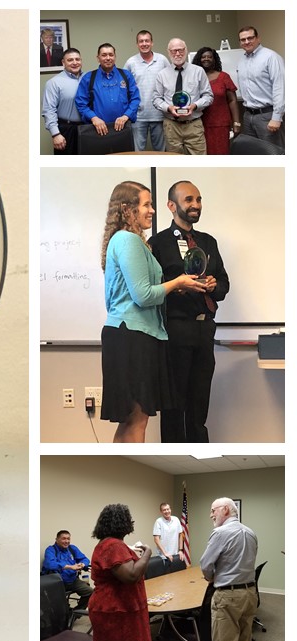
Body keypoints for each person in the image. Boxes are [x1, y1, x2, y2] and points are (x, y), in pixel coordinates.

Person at [99, 181, 206, 442]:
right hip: (132, 337)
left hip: (134, 334)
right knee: (137, 420)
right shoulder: (128, 241)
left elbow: (142, 291)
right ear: (128, 209)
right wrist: (178, 282)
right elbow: (144, 295)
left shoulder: (129, 240)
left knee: (132, 421)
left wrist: (173, 288)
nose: (152, 211)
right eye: (146, 204)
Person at [148, 181, 229, 443]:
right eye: (189, 200)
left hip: (204, 330)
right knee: (174, 404)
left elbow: (224, 285)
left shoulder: (208, 241)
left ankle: (200, 446)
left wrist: (215, 286)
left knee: (199, 402)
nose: (196, 205)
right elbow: (149, 290)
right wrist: (177, 288)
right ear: (172, 206)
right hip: (175, 330)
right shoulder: (157, 243)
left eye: (199, 199)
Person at [89, 503, 153, 641]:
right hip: (116, 610)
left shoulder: (109, 543)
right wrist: (148, 553)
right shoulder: (113, 545)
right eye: (129, 519)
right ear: (121, 522)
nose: (131, 522)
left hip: (117, 607)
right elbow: (131, 575)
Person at [200, 497, 258, 641]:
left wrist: (211, 578)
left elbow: (205, 565)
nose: (211, 515)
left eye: (213, 510)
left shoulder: (220, 533)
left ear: (225, 509)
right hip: (250, 594)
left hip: (228, 597)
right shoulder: (251, 532)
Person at [152, 38, 213, 154]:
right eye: (174, 51)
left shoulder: (198, 71)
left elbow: (208, 96)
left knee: (199, 164)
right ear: (168, 52)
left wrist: (194, 106)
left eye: (180, 50)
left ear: (186, 50)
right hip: (171, 126)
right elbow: (156, 99)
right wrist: (169, 108)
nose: (178, 54)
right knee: (174, 164)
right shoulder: (162, 75)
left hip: (193, 125)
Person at [75, 44, 140, 139]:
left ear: (115, 56)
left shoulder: (126, 75)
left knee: (123, 154)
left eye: (111, 54)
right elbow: (81, 103)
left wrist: (126, 116)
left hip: (123, 128)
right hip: (98, 129)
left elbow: (135, 99)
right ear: (98, 58)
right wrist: (94, 118)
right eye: (104, 55)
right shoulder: (89, 78)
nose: (108, 58)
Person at [236, 26, 284, 152]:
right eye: (243, 39)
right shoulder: (241, 61)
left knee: (272, 152)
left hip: (267, 116)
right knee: (253, 152)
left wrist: (276, 117)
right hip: (248, 116)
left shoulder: (271, 57)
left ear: (258, 38)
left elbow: (280, 88)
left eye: (250, 38)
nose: (246, 42)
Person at [124, 30, 170, 151]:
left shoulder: (162, 60)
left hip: (159, 114)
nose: (144, 43)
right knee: (137, 152)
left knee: (161, 151)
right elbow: (124, 89)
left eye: (147, 41)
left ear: (152, 43)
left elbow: (171, 83)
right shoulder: (130, 63)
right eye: (141, 41)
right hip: (138, 116)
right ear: (137, 44)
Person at [192, 47, 241, 155]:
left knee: (220, 154)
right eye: (203, 57)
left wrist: (236, 122)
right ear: (198, 60)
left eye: (209, 57)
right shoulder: (194, 78)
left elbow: (232, 100)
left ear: (214, 59)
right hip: (198, 124)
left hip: (220, 124)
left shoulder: (223, 77)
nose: (206, 59)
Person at [41, 48, 83, 154]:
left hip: (87, 128)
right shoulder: (54, 83)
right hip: (66, 130)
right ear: (63, 62)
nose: (74, 62)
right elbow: (48, 110)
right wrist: (55, 134)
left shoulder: (87, 78)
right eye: (70, 60)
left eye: (77, 59)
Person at [41, 530, 93, 609]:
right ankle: (65, 615)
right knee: (60, 607)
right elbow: (49, 564)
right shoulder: (51, 550)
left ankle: (74, 614)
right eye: (64, 539)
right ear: (57, 539)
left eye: (68, 539)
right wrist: (70, 567)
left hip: (72, 580)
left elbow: (84, 559)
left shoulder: (72, 548)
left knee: (90, 593)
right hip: (57, 583)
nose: (66, 541)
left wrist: (82, 564)